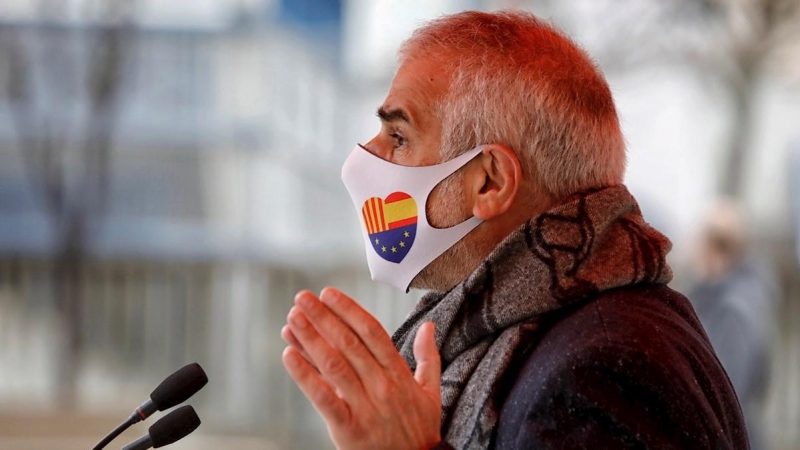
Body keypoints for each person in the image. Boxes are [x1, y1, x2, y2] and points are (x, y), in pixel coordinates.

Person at [280, 10, 749, 450]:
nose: (362, 160)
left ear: (490, 181)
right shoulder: (584, 331)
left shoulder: (596, 370)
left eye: (399, 137)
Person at [688, 200, 776, 450]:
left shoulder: (733, 310)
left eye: (699, 242)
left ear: (716, 249)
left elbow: (726, 393)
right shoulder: (721, 300)